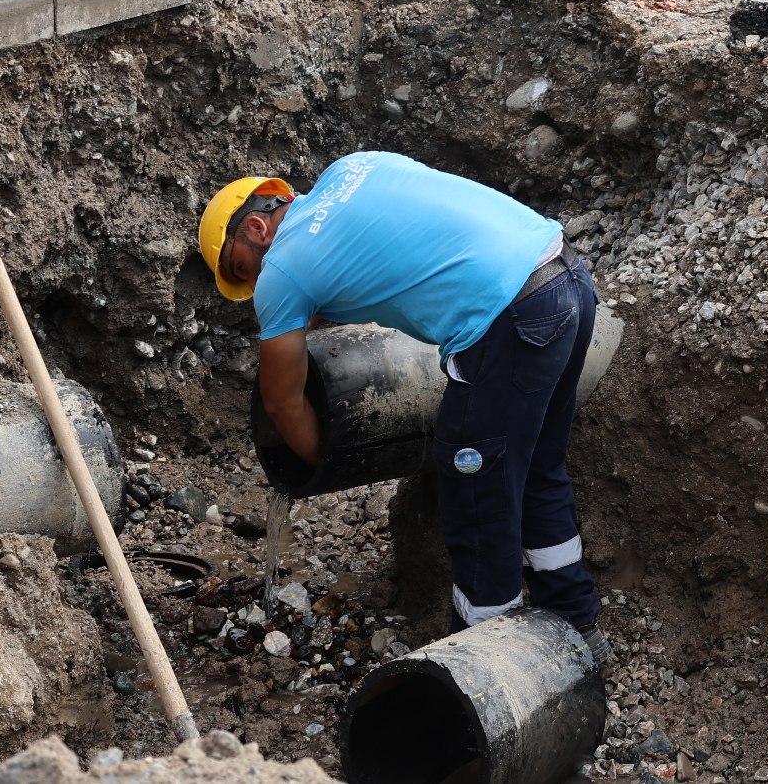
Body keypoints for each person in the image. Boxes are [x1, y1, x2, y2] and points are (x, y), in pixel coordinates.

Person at [200, 152, 606, 657]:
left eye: (246, 270)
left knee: (476, 489)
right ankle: (578, 627)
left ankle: (489, 664)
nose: (258, 285)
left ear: (258, 228)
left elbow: (281, 402)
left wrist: (319, 463)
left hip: (508, 320)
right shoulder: (353, 168)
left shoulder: (283, 267)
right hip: (566, 277)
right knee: (536, 466)